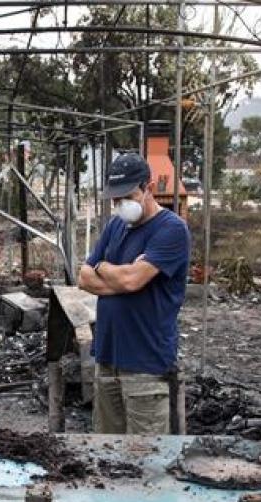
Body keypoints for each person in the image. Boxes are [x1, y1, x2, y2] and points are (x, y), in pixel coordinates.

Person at [77, 151, 191, 434]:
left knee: (146, 457)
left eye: (127, 196)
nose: (120, 204)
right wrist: (114, 271)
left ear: (148, 189)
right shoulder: (116, 225)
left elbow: (130, 281)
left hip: (144, 364)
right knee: (106, 450)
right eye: (116, 199)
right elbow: (83, 278)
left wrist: (102, 267)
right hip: (107, 356)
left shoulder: (172, 230)